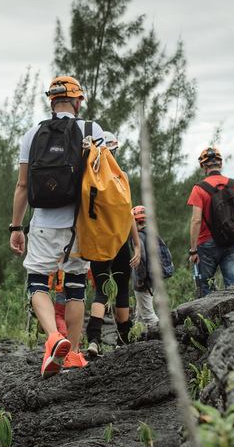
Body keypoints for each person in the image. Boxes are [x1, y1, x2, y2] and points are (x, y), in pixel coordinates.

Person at [10, 76, 103, 375]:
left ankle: (52, 337)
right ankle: (73, 354)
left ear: (51, 101)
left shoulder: (33, 134)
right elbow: (106, 180)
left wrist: (16, 227)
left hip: (43, 222)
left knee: (37, 282)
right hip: (81, 224)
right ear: (78, 101)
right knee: (75, 286)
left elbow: (23, 185)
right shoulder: (92, 130)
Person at [85, 132, 142, 357]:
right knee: (121, 289)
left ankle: (94, 340)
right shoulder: (121, 176)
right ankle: (123, 340)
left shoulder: (89, 175)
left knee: (101, 289)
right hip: (119, 242)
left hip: (98, 242)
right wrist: (136, 246)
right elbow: (128, 215)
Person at [186, 146, 234, 297]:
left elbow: (196, 221)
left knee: (206, 290)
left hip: (206, 244)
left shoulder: (199, 189)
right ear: (220, 164)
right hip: (231, 240)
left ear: (203, 166)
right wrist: (232, 222)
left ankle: (209, 320)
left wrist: (193, 250)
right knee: (233, 288)